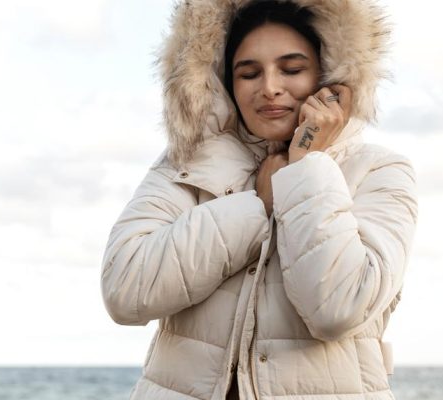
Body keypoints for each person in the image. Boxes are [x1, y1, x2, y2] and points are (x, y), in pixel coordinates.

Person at [100, 0, 418, 399]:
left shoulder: (379, 171)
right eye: (249, 73)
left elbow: (339, 307)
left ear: (329, 76)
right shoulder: (187, 166)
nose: (269, 87)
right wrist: (256, 207)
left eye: (292, 69)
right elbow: (125, 290)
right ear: (224, 84)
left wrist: (306, 166)